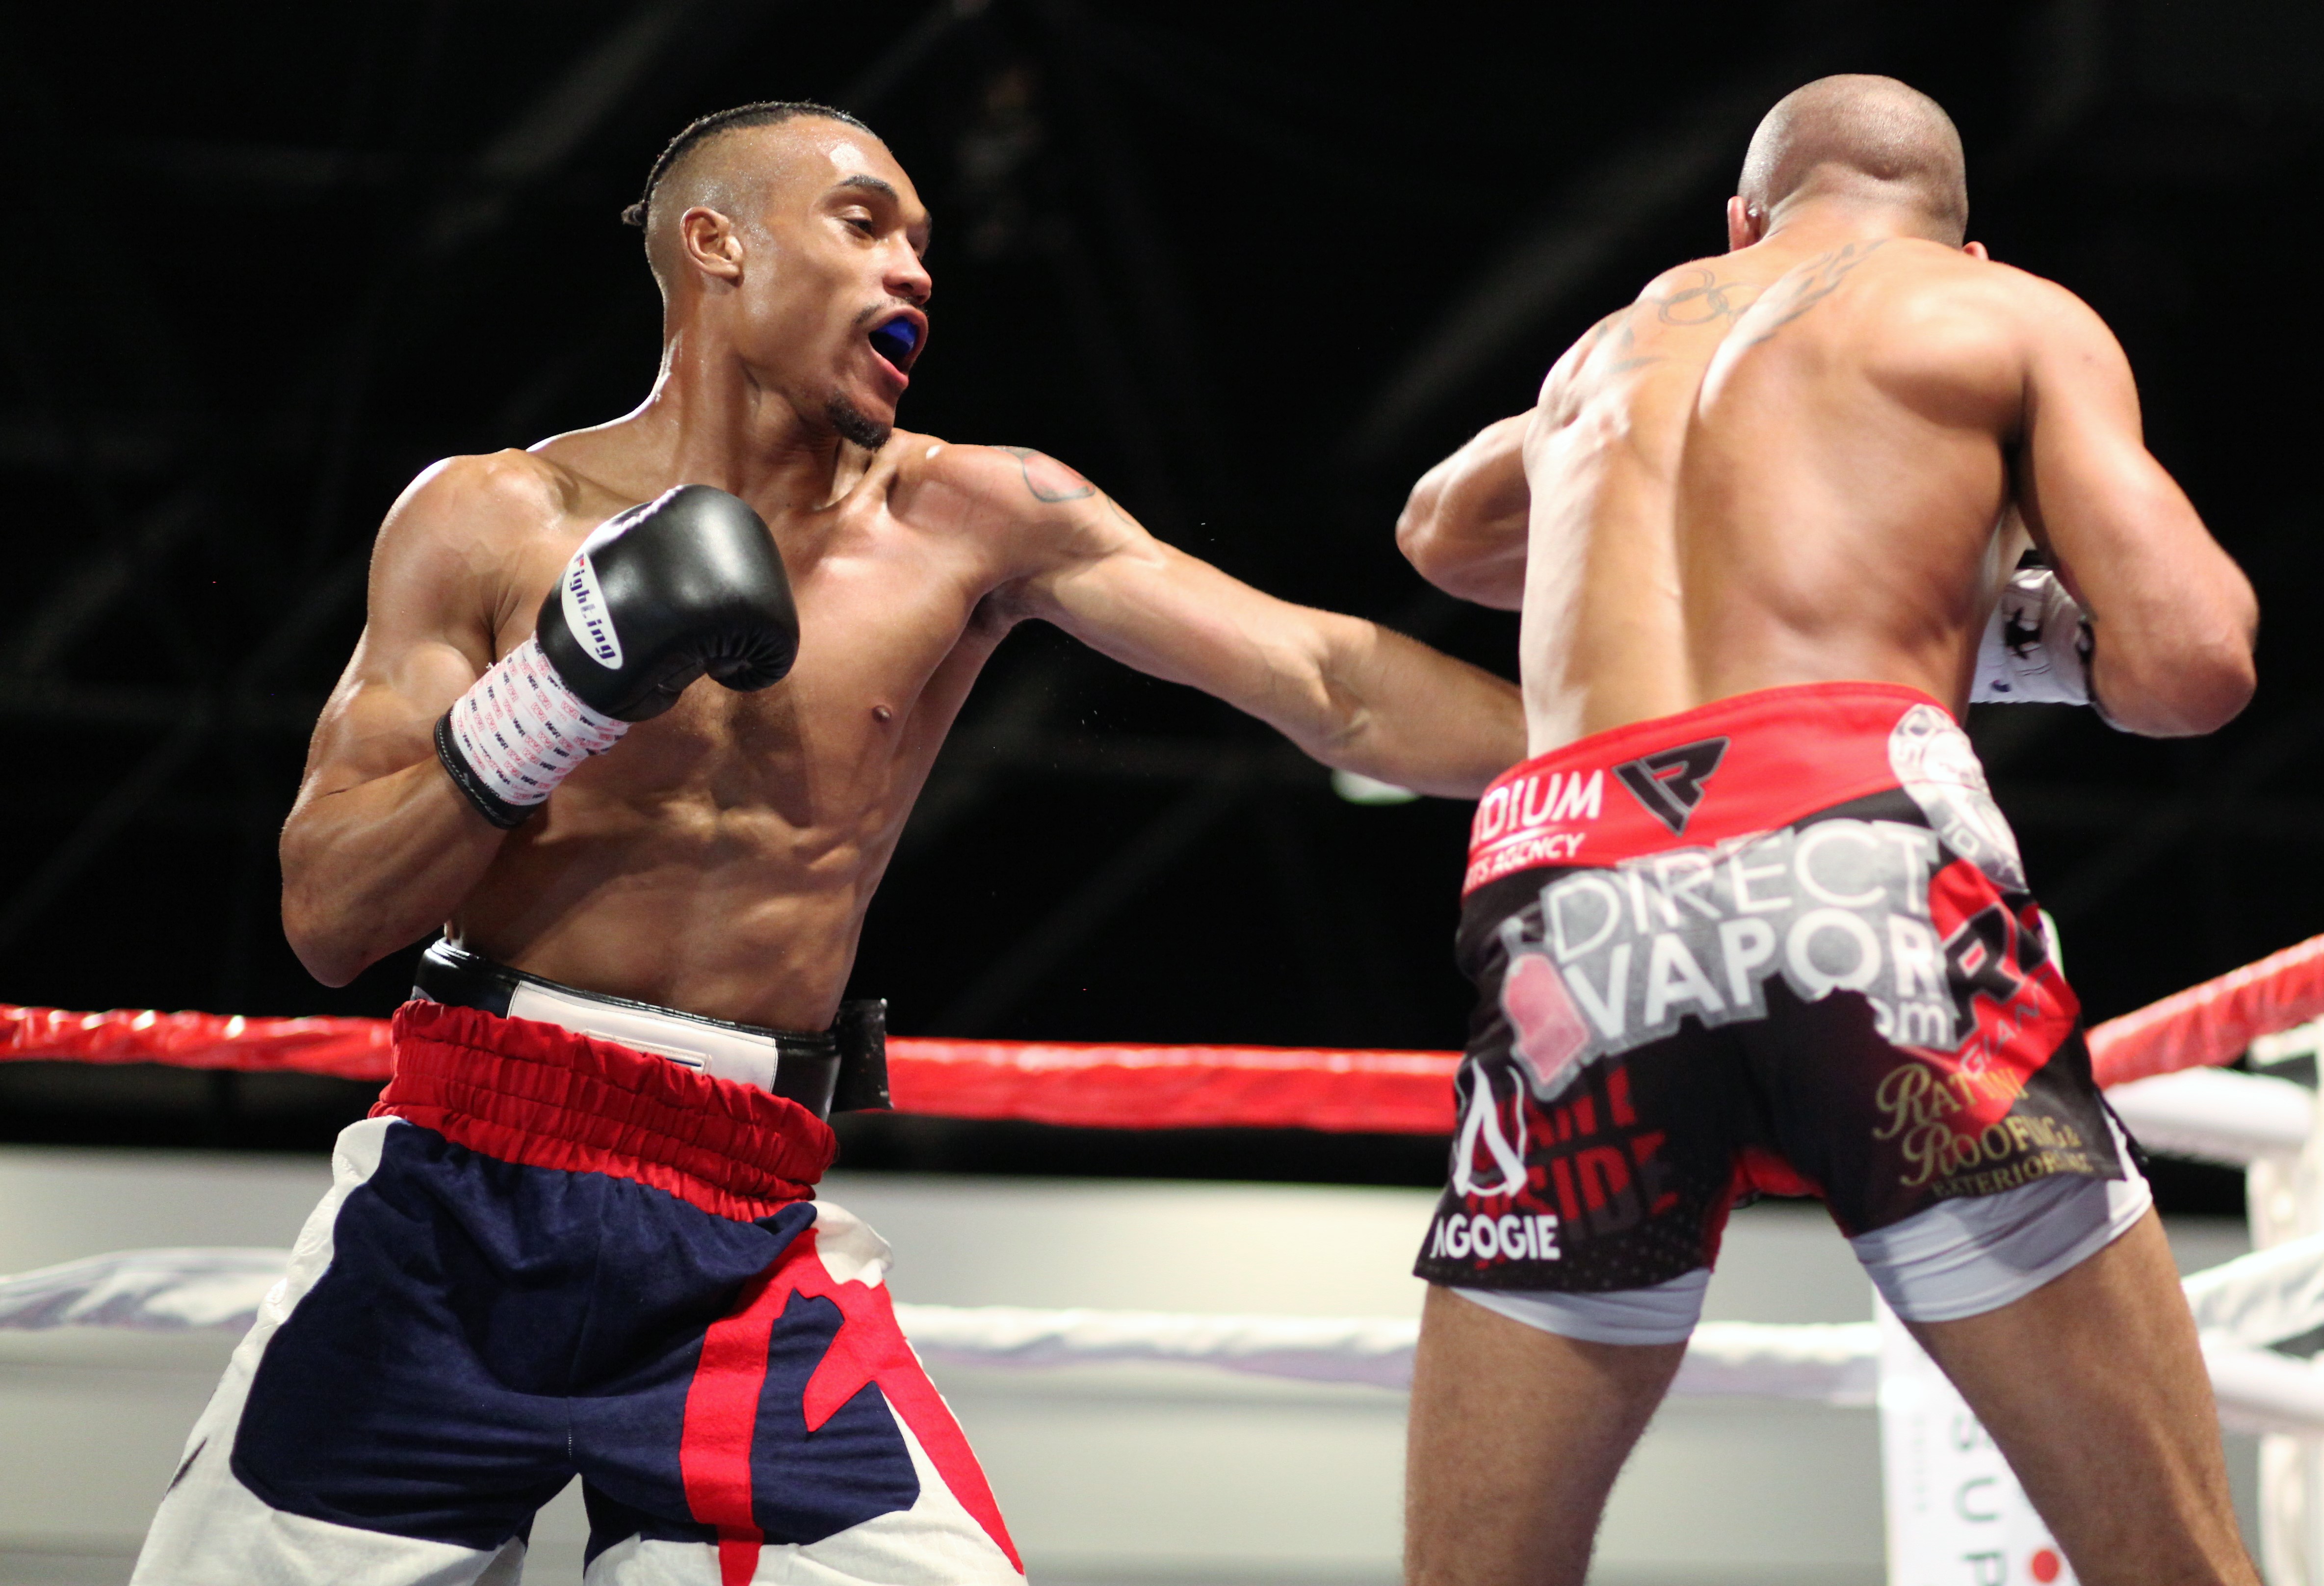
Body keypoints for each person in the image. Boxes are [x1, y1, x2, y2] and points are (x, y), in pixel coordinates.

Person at [131, 100, 1523, 1586]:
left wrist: (1652, 748)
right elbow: (328, 913)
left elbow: (1330, 682)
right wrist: (556, 697)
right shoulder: (492, 517)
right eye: (865, 224)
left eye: (924, 243)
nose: (914, 268)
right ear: (716, 245)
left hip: (741, 1221)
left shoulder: (973, 514)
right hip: (457, 1193)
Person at [1393, 75, 2258, 1586]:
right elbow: (2191, 668)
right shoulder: (1999, 312)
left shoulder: (1611, 345)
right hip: (1855, 859)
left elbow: (1438, 535)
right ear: (1961, 241)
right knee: (2165, 1566)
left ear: (1741, 222)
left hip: (1570, 896)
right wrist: (2009, 631)